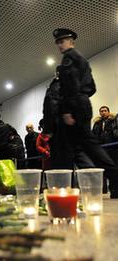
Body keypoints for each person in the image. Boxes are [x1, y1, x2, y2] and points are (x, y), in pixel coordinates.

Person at [51, 27, 118, 198]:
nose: (59, 45)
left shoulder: (68, 59)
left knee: (85, 147)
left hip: (73, 108)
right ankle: (112, 182)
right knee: (82, 147)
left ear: (71, 41)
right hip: (83, 105)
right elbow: (92, 88)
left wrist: (67, 110)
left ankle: (62, 190)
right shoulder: (83, 60)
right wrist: (82, 98)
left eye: (62, 41)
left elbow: (69, 86)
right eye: (58, 42)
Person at [92, 106, 118, 192]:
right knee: (101, 170)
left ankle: (114, 190)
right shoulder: (97, 123)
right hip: (101, 149)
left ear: (108, 112)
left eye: (105, 110)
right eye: (101, 111)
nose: (103, 112)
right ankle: (102, 190)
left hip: (113, 149)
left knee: (113, 169)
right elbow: (94, 135)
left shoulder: (114, 121)